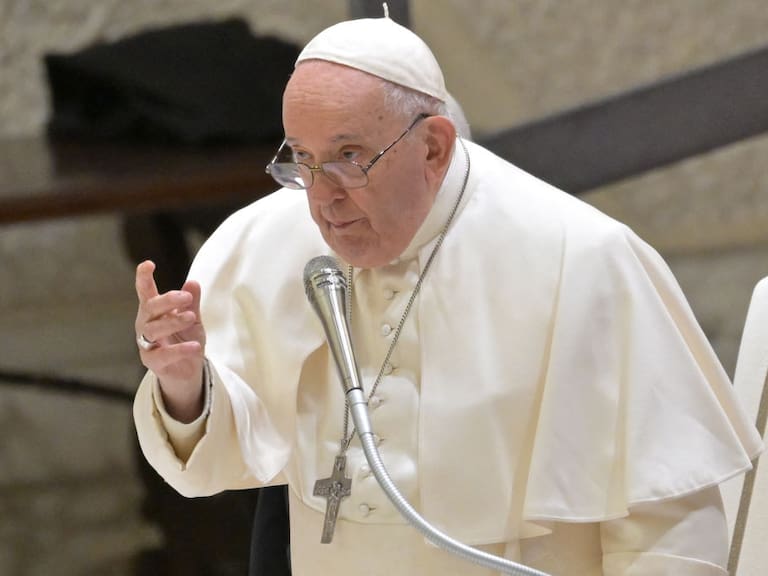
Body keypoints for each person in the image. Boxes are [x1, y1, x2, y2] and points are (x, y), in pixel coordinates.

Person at [133, 15, 762, 576]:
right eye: (302, 158)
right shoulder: (267, 241)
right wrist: (185, 386)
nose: (322, 196)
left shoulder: (580, 257)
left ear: (432, 146)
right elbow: (219, 457)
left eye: (349, 157)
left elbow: (669, 517)